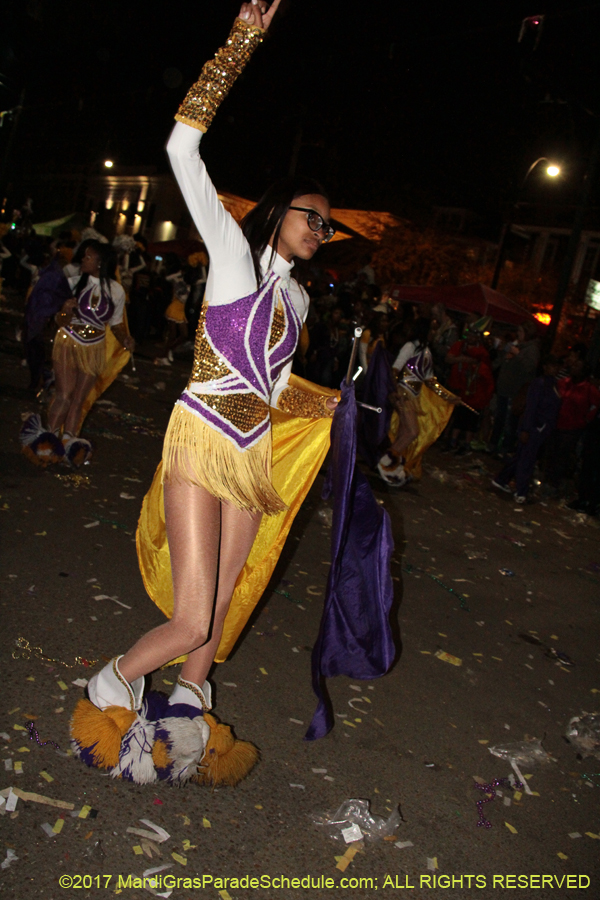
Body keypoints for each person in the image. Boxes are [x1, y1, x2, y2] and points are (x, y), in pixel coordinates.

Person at [72, 0, 338, 787]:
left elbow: (277, 390)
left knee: (218, 618)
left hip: (252, 462)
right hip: (200, 438)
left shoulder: (299, 302)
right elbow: (182, 146)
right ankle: (110, 683)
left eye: (327, 227)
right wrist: (240, 43)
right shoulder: (230, 254)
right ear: (280, 212)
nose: (320, 231)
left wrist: (324, 408)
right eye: (313, 218)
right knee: (190, 614)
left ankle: (188, 706)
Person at [49, 242, 133, 462]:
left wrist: (125, 338)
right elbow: (58, 321)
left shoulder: (116, 290)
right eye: (84, 256)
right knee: (64, 395)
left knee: (79, 398)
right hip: (68, 342)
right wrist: (65, 312)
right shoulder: (72, 283)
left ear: (100, 263)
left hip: (95, 347)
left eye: (88, 257)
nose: (83, 259)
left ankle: (68, 443)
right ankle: (48, 441)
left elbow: (115, 323)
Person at [491, 355, 561, 503]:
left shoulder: (554, 385)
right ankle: (521, 491)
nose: (554, 369)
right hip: (534, 427)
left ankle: (502, 479)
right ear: (545, 367)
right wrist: (526, 429)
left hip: (541, 429)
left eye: (556, 366)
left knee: (522, 456)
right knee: (526, 460)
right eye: (551, 366)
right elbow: (531, 407)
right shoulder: (539, 383)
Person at [544, 347, 600, 494]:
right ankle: (547, 479)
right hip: (556, 422)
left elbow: (594, 406)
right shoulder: (564, 382)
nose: (573, 368)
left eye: (577, 367)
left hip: (572, 428)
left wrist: (585, 420)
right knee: (551, 452)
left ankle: (555, 483)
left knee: (562, 456)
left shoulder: (589, 389)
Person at [488, 320, 540, 455]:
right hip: (504, 389)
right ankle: (493, 445)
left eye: (521, 332)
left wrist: (518, 355)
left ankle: (505, 448)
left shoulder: (531, 349)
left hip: (515, 391)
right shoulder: (516, 345)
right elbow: (500, 363)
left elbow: (529, 367)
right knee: (499, 418)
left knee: (510, 422)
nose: (518, 334)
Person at [445, 317, 495, 454]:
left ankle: (464, 444)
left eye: (474, 335)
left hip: (473, 393)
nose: (471, 337)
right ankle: (450, 441)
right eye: (470, 334)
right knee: (455, 416)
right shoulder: (460, 345)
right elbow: (448, 358)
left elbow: (487, 376)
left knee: (470, 420)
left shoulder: (482, 353)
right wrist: (465, 359)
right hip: (457, 386)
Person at [430, 303, 458, 383]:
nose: (434, 317)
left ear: (442, 313)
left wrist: (434, 344)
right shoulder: (439, 327)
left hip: (441, 369)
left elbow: (448, 351)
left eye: (436, 314)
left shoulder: (451, 331)